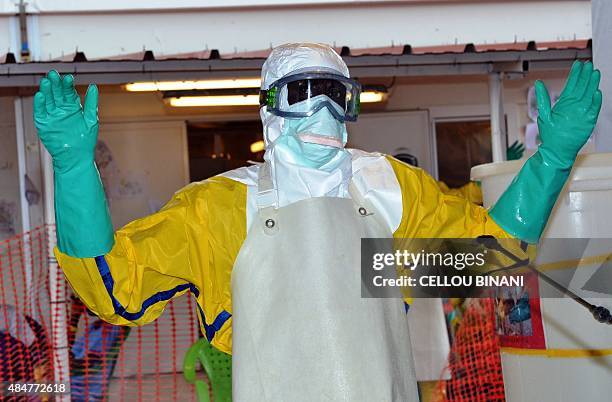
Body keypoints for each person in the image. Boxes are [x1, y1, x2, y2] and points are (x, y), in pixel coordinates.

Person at [33, 43, 601, 401]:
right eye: (305, 93)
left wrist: (551, 160)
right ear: (269, 109)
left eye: (338, 95)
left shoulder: (388, 191)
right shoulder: (219, 210)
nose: (324, 112)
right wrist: (75, 170)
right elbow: (113, 285)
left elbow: (491, 259)